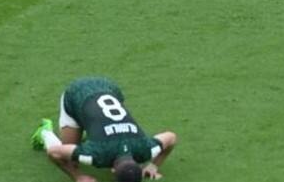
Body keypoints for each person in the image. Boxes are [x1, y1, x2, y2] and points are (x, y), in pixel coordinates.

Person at [31, 77, 177, 182]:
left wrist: (153, 165)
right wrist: (78, 177)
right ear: (112, 171)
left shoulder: (146, 149)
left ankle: (85, 133)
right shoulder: (96, 154)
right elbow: (53, 153)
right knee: (70, 162)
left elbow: (171, 137)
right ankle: (45, 132)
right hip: (77, 94)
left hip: (110, 87)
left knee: (91, 135)